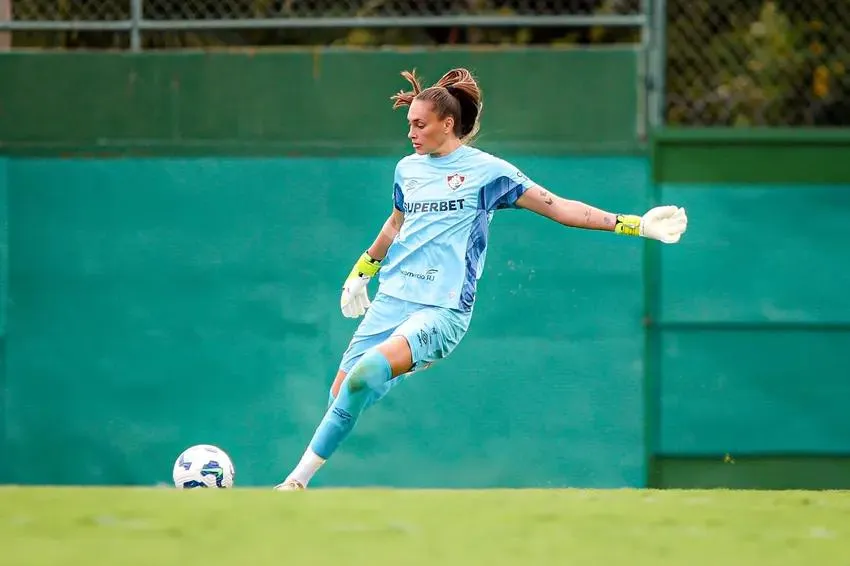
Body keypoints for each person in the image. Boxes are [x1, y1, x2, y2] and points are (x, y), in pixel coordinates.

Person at [274, 67, 687, 490]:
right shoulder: (407, 170)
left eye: (420, 124)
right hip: (392, 299)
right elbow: (396, 224)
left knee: (366, 374)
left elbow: (561, 209)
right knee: (342, 394)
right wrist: (362, 272)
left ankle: (293, 485)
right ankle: (391, 372)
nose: (411, 133)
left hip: (442, 308)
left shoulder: (488, 172)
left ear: (447, 124)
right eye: (409, 124)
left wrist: (635, 224)